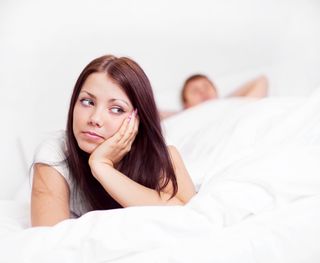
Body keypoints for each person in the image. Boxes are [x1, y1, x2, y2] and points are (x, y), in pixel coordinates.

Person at [31, 55, 196, 227]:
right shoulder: (54, 154)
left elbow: (190, 217)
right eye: (87, 102)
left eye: (116, 109)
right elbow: (47, 240)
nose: (95, 119)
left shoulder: (161, 155)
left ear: (138, 119)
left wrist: (102, 167)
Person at [160, 74, 268, 119]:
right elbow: (150, 114)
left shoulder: (233, 108)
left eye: (206, 87)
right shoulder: (183, 117)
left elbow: (261, 80)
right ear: (186, 104)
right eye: (195, 91)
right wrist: (182, 113)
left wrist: (221, 102)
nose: (202, 92)